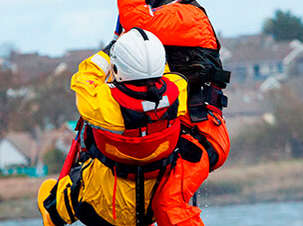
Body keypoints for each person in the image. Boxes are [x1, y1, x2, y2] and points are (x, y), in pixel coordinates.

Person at [112, 0, 232, 226]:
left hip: (201, 130)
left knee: (168, 204)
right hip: (171, 130)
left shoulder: (186, 16)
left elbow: (138, 20)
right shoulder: (153, 31)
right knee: (135, 203)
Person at [37, 28, 196, 226]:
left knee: (71, 187)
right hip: (152, 207)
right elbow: (165, 74)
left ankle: (53, 213)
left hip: (102, 208)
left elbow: (84, 78)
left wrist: (108, 51)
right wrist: (144, 52)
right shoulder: (178, 90)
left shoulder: (103, 104)